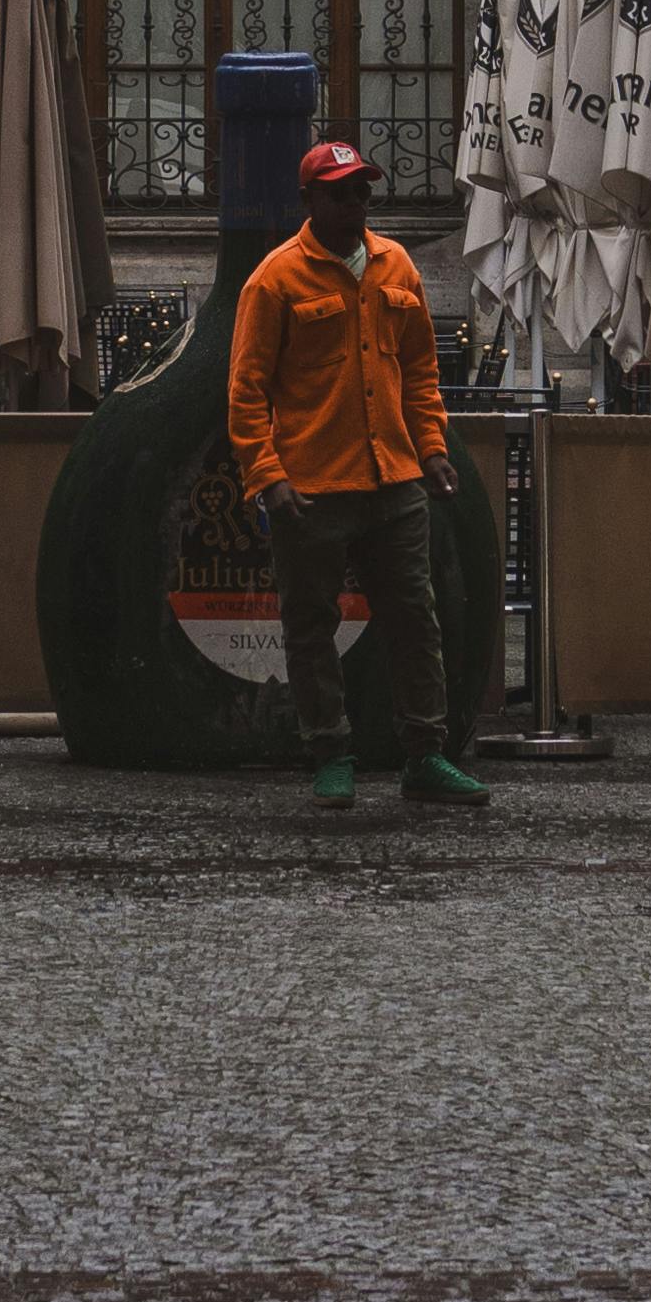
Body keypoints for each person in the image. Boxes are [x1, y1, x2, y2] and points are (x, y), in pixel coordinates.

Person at [224, 135, 491, 817]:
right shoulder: (275, 278)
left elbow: (421, 373)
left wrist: (431, 450)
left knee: (414, 619)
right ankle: (329, 754)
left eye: (362, 190)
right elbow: (246, 390)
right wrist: (266, 475)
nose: (354, 201)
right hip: (310, 485)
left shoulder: (395, 264)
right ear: (309, 198)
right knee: (310, 624)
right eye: (339, 191)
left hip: (394, 479)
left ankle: (425, 755)